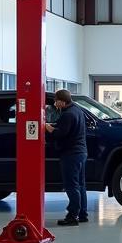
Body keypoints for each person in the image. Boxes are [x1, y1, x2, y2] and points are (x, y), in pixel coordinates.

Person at [44, 89, 88, 226]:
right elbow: (67, 127)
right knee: (80, 184)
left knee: (71, 185)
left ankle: (72, 216)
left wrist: (48, 128)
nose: (54, 103)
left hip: (71, 155)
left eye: (56, 101)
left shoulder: (67, 114)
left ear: (62, 101)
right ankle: (82, 214)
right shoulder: (77, 110)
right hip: (81, 153)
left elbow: (60, 134)